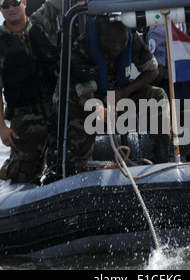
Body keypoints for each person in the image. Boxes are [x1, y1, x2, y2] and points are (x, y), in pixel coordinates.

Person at [0, 0, 70, 184]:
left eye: (15, 3)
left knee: (72, 163)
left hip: (57, 113)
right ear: (0, 9)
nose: (11, 8)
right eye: (6, 5)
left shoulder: (41, 24)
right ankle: (10, 168)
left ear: (24, 3)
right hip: (26, 120)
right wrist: (2, 128)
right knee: (24, 175)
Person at [58, 15, 171, 174]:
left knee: (158, 96)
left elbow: (153, 70)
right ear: (100, 36)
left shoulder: (131, 39)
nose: (117, 47)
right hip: (88, 98)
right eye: (111, 43)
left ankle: (162, 156)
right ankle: (81, 166)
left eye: (122, 42)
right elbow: (85, 94)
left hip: (120, 93)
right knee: (78, 114)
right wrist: (100, 109)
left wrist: (124, 92)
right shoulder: (81, 47)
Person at [146, 23, 190, 110]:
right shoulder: (189, 24)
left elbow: (157, 75)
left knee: (168, 123)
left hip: (170, 92)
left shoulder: (156, 30)